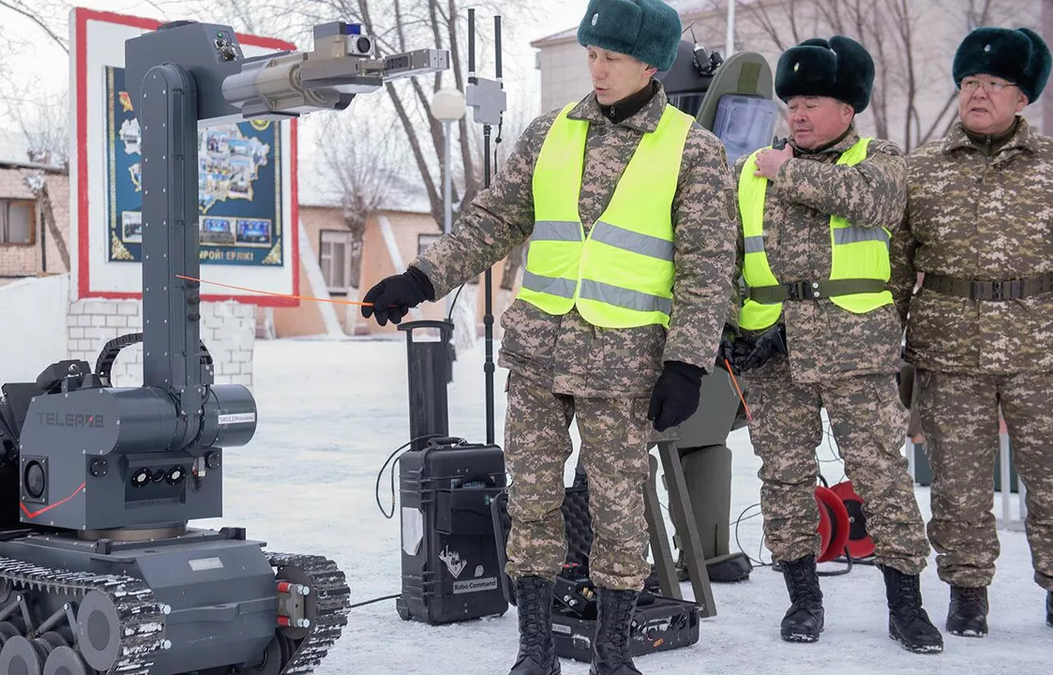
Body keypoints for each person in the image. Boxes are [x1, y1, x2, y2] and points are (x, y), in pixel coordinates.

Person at [359, 0, 737, 671]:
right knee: (531, 503)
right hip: (537, 352)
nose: (596, 68)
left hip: (624, 363)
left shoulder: (694, 150)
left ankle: (613, 655)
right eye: (591, 54)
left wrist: (687, 361)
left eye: (611, 57)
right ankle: (535, 651)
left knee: (619, 512)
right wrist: (419, 279)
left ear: (651, 62)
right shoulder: (549, 132)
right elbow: (491, 222)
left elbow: (708, 268)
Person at [721, 35, 942, 653]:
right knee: (784, 477)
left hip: (854, 351)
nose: (797, 112)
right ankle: (802, 601)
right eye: (790, 100)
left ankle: (907, 607)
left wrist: (784, 171)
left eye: (812, 100)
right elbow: (726, 259)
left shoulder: (879, 159)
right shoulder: (749, 173)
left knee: (882, 477)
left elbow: (874, 206)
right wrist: (730, 329)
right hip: (772, 352)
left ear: (847, 109)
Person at [890, 25, 1053, 637]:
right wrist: (890, 350)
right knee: (957, 484)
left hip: (1042, 351)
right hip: (948, 350)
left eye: (994, 83)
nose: (978, 93)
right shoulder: (920, 170)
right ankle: (966, 590)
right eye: (969, 82)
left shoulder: (1051, 168)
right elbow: (896, 269)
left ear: (1022, 97)